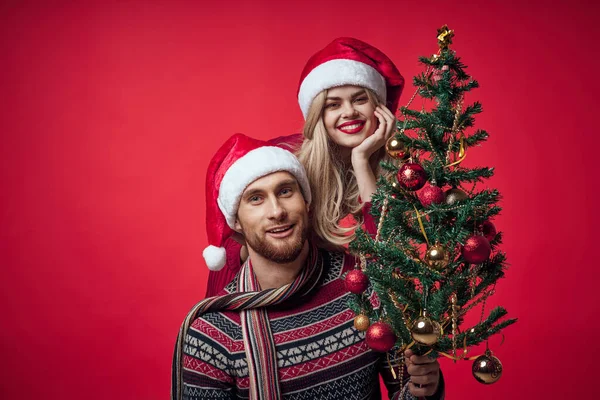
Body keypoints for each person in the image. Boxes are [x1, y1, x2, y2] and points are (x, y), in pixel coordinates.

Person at [172, 134, 444, 400]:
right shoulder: (211, 334)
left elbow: (406, 387)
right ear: (236, 222)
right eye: (256, 198)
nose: (277, 211)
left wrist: (424, 388)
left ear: (307, 202)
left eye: (285, 191)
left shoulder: (363, 285)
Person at [205, 37, 405, 297]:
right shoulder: (286, 159)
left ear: (379, 106)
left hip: (340, 295)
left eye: (359, 100)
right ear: (317, 114)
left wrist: (361, 161)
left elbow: (386, 253)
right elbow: (236, 232)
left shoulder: (399, 168)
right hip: (257, 285)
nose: (349, 112)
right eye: (333, 104)